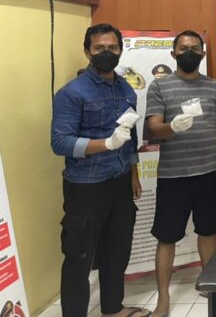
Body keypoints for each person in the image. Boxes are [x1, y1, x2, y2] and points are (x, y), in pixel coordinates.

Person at [51, 24, 148, 317]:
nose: (107, 53)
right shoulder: (71, 93)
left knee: (116, 251)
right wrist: (105, 143)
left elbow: (130, 136)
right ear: (87, 52)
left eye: (112, 48)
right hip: (86, 186)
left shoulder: (125, 88)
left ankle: (112, 308)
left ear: (120, 50)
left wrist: (133, 173)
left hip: (120, 181)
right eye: (99, 48)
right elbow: (60, 142)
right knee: (79, 257)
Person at [145, 30, 216, 317]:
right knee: (166, 237)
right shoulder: (159, 86)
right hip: (172, 176)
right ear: (173, 53)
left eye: (195, 48)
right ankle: (163, 299)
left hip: (208, 173)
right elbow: (152, 128)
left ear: (203, 54)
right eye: (183, 48)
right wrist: (172, 127)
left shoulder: (214, 87)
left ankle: (209, 287)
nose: (189, 52)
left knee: (209, 232)